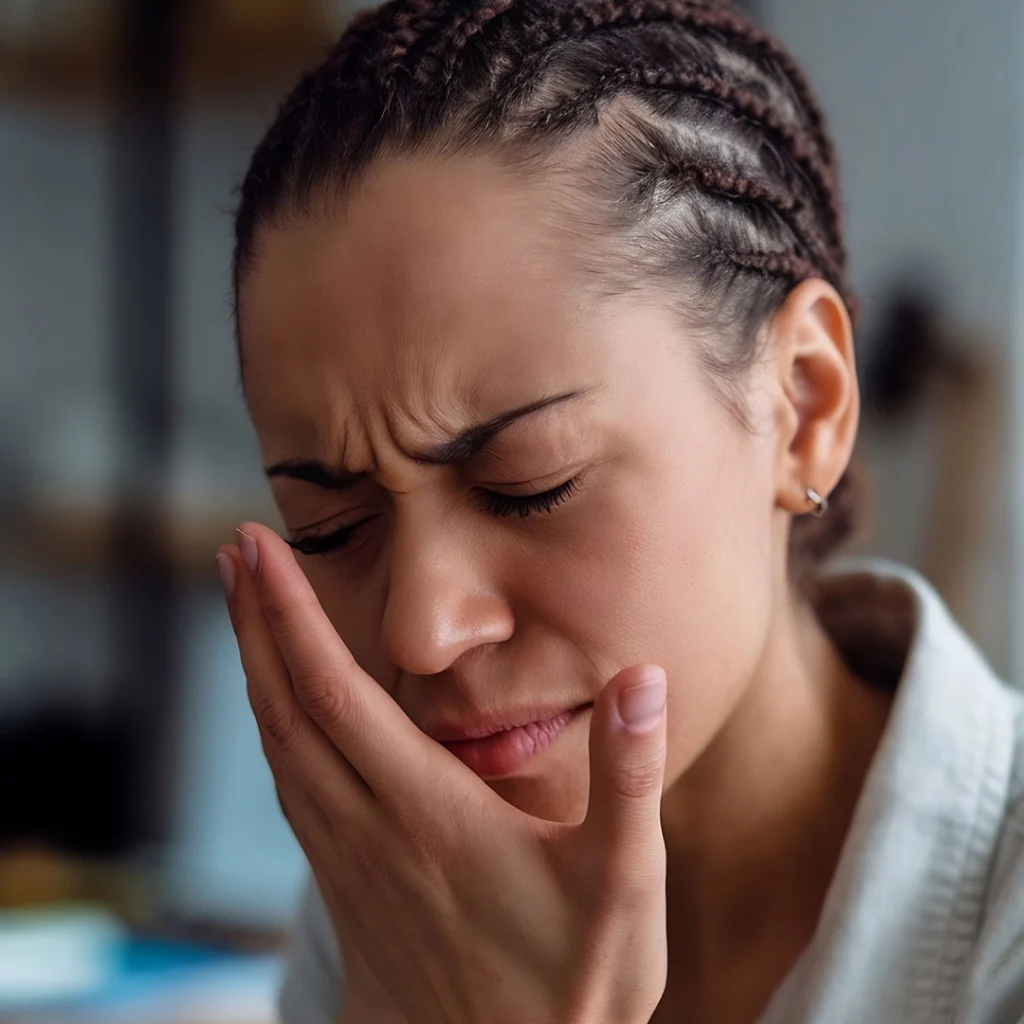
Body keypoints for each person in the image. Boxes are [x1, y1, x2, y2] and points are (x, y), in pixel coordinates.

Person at [213, 0, 1024, 1021]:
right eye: (329, 527)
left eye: (529, 483)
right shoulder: (400, 893)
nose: (419, 631)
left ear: (805, 402)